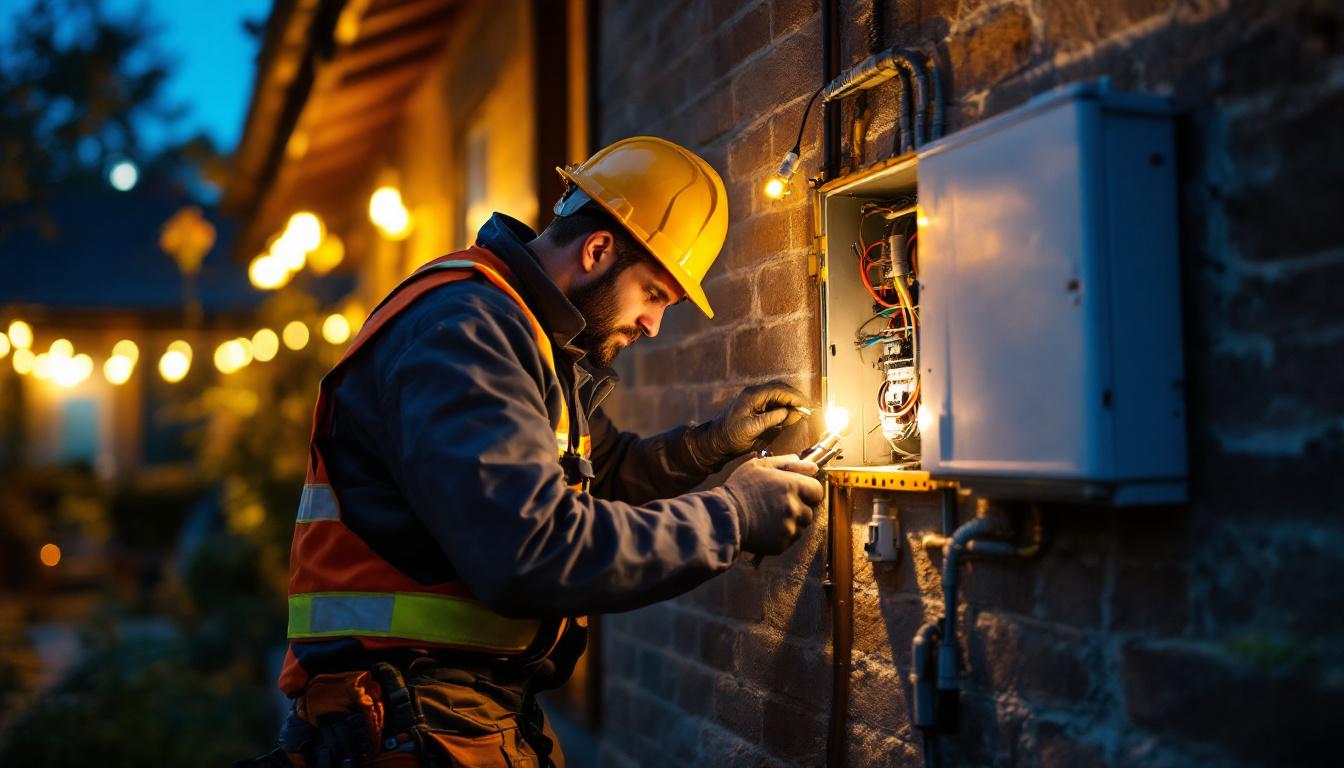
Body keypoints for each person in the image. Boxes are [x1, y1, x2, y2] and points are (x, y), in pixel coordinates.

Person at [246, 137, 824, 768]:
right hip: (405, 717)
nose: (654, 325)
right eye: (655, 294)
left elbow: (599, 474)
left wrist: (710, 446)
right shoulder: (465, 329)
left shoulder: (521, 335)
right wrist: (733, 516)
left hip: (453, 711)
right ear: (598, 249)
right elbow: (530, 550)